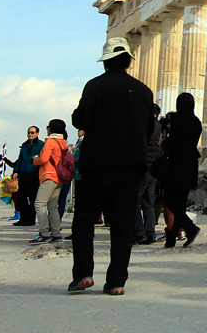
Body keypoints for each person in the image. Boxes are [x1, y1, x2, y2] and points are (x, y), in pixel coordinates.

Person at [70, 37, 153, 295]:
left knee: (84, 219)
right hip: (131, 164)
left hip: (98, 162)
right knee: (122, 224)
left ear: (105, 63)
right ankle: (117, 281)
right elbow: (149, 129)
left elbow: (81, 120)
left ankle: (83, 273)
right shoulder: (143, 91)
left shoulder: (95, 86)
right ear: (128, 62)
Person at [161, 93, 202, 248]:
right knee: (181, 203)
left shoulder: (178, 120)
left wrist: (164, 142)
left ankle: (190, 227)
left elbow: (173, 143)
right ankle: (171, 238)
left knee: (169, 200)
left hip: (177, 163)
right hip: (191, 163)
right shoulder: (196, 121)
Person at [31, 119, 68, 244]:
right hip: (60, 177)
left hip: (49, 175)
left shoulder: (51, 141)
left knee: (39, 204)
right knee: (53, 207)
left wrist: (34, 161)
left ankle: (44, 233)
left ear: (50, 129)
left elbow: (44, 159)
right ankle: (56, 233)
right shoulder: (63, 142)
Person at [134, 104, 162, 245]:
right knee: (148, 201)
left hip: (143, 167)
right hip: (154, 168)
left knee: (135, 200)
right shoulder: (159, 127)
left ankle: (138, 232)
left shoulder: (145, 125)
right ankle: (150, 232)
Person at [11, 126, 43, 226]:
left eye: (32, 132)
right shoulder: (24, 145)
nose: (30, 134)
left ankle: (31, 219)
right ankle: (23, 218)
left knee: (33, 197)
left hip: (34, 173)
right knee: (21, 197)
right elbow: (20, 159)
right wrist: (16, 171)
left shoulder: (41, 145)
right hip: (23, 173)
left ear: (37, 133)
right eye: (29, 132)